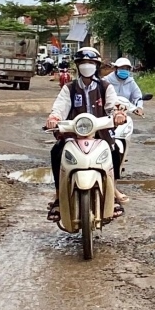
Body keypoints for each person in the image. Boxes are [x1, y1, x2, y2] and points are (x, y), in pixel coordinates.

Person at [44, 47, 128, 222]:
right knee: (56, 153)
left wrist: (118, 114)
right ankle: (59, 196)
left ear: (96, 65)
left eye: (90, 63)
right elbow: (60, 106)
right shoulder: (69, 88)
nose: (86, 66)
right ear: (77, 65)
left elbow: (114, 106)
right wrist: (54, 118)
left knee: (114, 151)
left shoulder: (105, 87)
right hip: (73, 135)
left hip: (100, 134)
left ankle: (112, 194)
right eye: (83, 63)